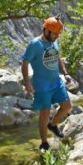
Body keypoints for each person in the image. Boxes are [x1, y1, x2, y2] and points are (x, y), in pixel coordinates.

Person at [21, 15, 72, 151]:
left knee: (66, 106)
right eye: (55, 33)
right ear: (46, 30)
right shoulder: (34, 44)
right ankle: (44, 142)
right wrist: (27, 84)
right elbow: (24, 63)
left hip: (56, 81)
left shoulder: (53, 41)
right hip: (42, 85)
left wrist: (65, 73)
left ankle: (53, 125)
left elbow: (58, 57)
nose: (57, 36)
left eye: (58, 34)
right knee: (44, 114)